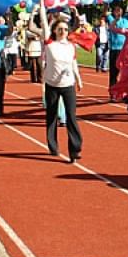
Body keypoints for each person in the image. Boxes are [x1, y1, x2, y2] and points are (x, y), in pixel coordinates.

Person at [41, 17, 84, 161]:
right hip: (52, 85)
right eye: (60, 29)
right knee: (51, 116)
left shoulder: (71, 46)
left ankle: (75, 149)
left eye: (65, 29)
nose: (63, 31)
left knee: (71, 117)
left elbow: (73, 63)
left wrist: (78, 79)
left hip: (68, 84)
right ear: (54, 30)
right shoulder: (49, 43)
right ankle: (53, 146)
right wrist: (41, 4)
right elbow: (44, 22)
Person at [105, 3, 128, 96]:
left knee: (125, 73)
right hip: (114, 50)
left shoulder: (126, 19)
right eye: (116, 10)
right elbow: (105, 13)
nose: (118, 12)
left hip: (124, 50)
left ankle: (124, 93)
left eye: (119, 10)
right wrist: (106, 3)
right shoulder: (112, 19)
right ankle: (113, 93)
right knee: (113, 73)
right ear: (114, 12)